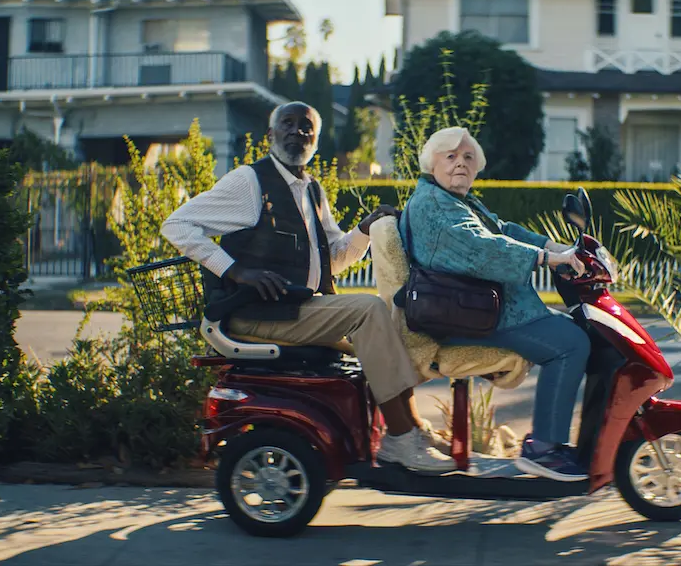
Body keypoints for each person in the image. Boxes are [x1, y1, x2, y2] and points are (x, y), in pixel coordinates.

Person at [161, 101, 452, 472]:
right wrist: (235, 271)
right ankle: (400, 440)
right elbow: (177, 225)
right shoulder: (248, 182)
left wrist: (363, 230)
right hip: (258, 313)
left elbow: (332, 258)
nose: (298, 131)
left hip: (294, 309)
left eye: (306, 127)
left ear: (315, 140)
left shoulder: (311, 189)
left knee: (390, 329)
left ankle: (411, 429)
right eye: (288, 123)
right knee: (369, 311)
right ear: (270, 135)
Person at [400, 126, 592, 482]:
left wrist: (555, 248)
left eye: (468, 157)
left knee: (576, 330)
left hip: (480, 308)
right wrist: (545, 260)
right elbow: (480, 249)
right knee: (572, 343)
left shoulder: (454, 199)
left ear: (476, 168)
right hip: (466, 316)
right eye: (450, 156)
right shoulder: (433, 205)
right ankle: (545, 450)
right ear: (432, 163)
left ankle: (554, 443)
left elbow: (501, 229)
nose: (460, 163)